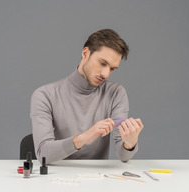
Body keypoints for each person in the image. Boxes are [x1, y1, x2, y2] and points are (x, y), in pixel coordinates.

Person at [30, 29, 144, 164]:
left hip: (97, 179)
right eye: (102, 63)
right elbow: (43, 153)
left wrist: (129, 144)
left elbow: (123, 156)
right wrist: (85, 137)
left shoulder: (116, 93)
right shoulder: (44, 95)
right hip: (56, 176)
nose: (106, 74)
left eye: (112, 68)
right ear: (85, 53)